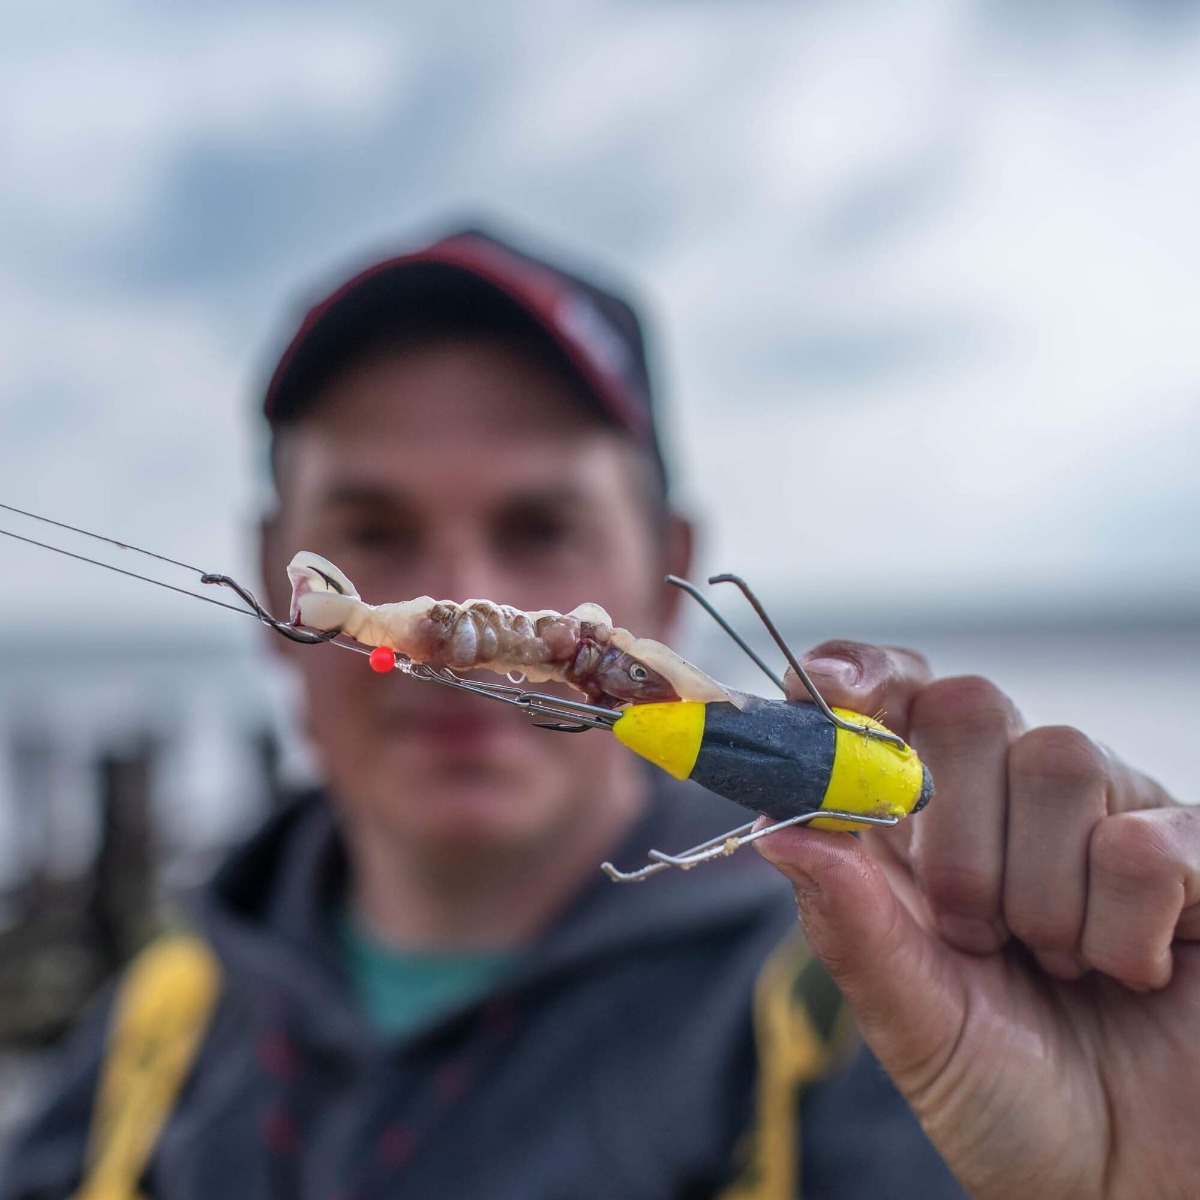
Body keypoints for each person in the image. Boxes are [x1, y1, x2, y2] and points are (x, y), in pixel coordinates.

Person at [1, 226, 1196, 1200]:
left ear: (668, 568)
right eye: (375, 530)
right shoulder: (148, 1040)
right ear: (276, 587)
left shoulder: (884, 1036)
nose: (468, 592)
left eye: (540, 528)